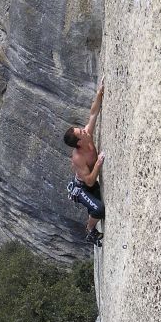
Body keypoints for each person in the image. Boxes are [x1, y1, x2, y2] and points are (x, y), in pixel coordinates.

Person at [64, 80, 105, 246]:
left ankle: (92, 226)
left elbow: (93, 113)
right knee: (99, 209)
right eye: (80, 132)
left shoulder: (87, 135)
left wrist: (99, 93)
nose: (84, 129)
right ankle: (89, 230)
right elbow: (88, 180)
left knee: (96, 206)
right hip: (81, 188)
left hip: (88, 182)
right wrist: (98, 163)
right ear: (79, 143)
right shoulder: (78, 157)